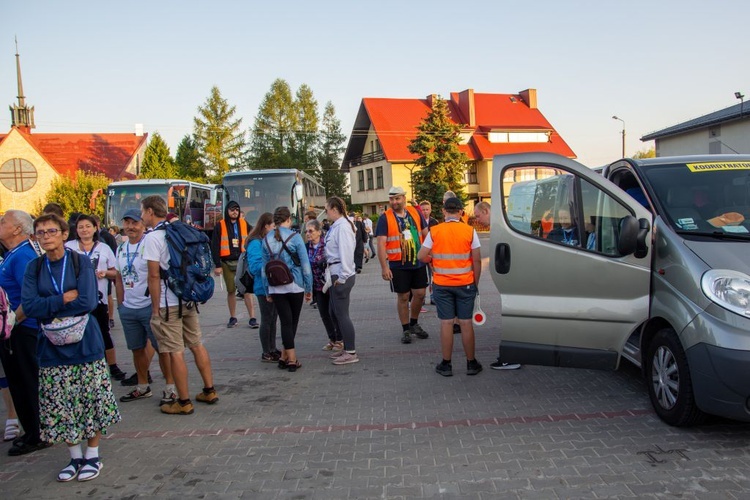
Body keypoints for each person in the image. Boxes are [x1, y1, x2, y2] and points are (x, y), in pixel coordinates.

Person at [22, 213, 121, 482]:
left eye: (51, 231)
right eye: (40, 233)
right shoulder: (34, 267)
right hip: (51, 346)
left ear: (65, 234)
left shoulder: (80, 262)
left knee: (89, 400)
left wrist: (49, 305)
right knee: (60, 402)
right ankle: (74, 456)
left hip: (84, 343)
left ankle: (92, 454)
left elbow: (88, 302)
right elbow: (29, 306)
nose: (46, 237)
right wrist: (63, 298)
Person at [141, 195, 218, 415]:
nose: (141, 216)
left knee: (175, 351)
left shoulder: (153, 238)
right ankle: (209, 390)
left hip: (168, 301)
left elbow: (154, 276)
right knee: (196, 343)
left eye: (142, 212)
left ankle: (183, 402)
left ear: (149, 211)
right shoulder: (179, 229)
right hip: (188, 297)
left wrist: (155, 310)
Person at [114, 209, 176, 404]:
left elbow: (155, 274)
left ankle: (170, 387)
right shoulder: (121, 248)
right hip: (128, 308)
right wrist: (121, 304)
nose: (131, 227)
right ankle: (142, 386)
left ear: (143, 225)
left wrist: (156, 307)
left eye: (135, 223)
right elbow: (118, 278)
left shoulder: (148, 244)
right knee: (136, 349)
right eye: (127, 222)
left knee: (162, 349)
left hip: (149, 306)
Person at [418, 198, 483, 376]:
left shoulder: (435, 231)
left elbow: (421, 255)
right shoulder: (470, 231)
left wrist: (433, 260)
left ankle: (446, 364)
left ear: (444, 211)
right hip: (465, 284)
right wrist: (475, 283)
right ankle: (471, 363)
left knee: (446, 323)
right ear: (461, 212)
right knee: (466, 323)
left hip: (442, 284)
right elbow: (476, 259)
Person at [0, 210, 46, 456]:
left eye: (3, 221)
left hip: (22, 330)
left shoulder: (22, 256)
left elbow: (29, 296)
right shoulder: (12, 254)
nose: (0, 224)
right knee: (18, 382)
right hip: (13, 331)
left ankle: (37, 433)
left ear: (17, 229)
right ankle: (30, 431)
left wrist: (12, 320)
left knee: (27, 382)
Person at [64, 215, 126, 381]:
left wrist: (105, 273)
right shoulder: (68, 247)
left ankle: (112, 366)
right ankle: (80, 369)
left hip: (98, 299)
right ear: (76, 230)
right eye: (80, 227)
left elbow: (115, 272)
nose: (84, 230)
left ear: (94, 228)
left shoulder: (103, 248)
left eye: (87, 226)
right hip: (75, 299)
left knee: (103, 333)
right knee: (75, 333)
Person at [470, 201, 521, 371]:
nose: (477, 220)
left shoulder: (502, 227)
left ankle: (512, 356)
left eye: (478, 216)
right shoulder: (504, 223)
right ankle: (514, 354)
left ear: (486, 211)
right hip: (512, 278)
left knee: (512, 317)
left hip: (513, 279)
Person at [375, 186, 430, 344]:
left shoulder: (414, 212)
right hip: (398, 264)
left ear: (404, 199)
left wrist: (431, 255)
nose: (394, 202)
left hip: (418, 261)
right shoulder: (385, 218)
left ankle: (414, 323)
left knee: (420, 294)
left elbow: (426, 234)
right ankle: (406, 328)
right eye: (391, 199)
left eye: (397, 198)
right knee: (404, 296)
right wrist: (384, 267)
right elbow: (380, 244)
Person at [261, 206, 312, 372]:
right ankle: (292, 359)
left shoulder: (266, 238)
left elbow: (264, 269)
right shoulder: (295, 237)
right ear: (288, 219)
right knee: (292, 322)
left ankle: (284, 356)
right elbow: (305, 266)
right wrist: (308, 287)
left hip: (276, 286)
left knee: (285, 322)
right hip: (295, 284)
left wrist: (267, 290)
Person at [211, 200, 257, 329]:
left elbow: (253, 237)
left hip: (242, 261)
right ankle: (233, 317)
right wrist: (217, 265)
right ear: (227, 211)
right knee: (231, 290)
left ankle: (252, 318)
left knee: (247, 290)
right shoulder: (220, 226)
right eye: (232, 209)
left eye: (237, 209)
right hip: (226, 262)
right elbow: (214, 246)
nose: (235, 212)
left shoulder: (244, 224)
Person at [325, 197, 359, 365]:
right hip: (335, 273)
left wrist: (343, 276)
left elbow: (346, 252)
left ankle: (351, 351)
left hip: (341, 274)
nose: (326, 212)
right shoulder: (337, 226)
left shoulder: (343, 227)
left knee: (341, 314)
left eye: (327, 209)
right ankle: (347, 348)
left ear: (334, 209)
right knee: (334, 312)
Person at [246, 213, 281, 362]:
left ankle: (272, 348)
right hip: (262, 286)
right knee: (267, 318)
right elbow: (255, 267)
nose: (274, 229)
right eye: (273, 226)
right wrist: (272, 265)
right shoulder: (255, 243)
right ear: (266, 226)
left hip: (272, 284)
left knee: (273, 318)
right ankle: (266, 351)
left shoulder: (265, 240)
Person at [305, 219, 341, 352]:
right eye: (306, 231)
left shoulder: (326, 244)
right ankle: (332, 339)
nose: (308, 234)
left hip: (329, 283)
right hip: (317, 286)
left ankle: (340, 339)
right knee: (324, 314)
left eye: (311, 231)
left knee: (334, 313)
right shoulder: (305, 247)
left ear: (319, 232)